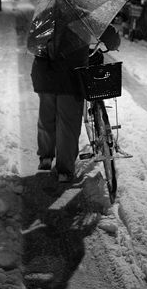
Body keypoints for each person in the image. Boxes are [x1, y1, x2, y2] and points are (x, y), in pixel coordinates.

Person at [30, 23, 121, 183]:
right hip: (70, 75)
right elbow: (105, 30)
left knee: (47, 116)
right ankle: (64, 170)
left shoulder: (46, 15)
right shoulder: (82, 14)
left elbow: (32, 42)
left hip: (45, 72)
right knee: (67, 124)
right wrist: (112, 42)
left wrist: (48, 47)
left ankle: (45, 157)